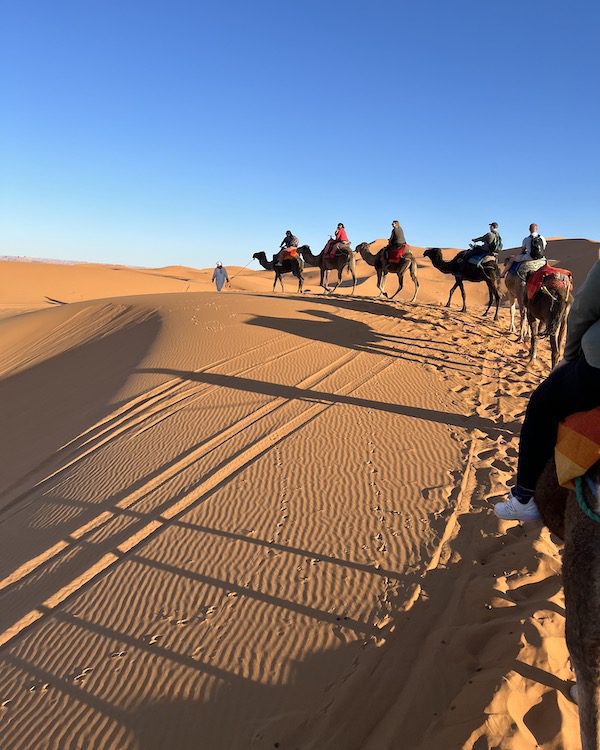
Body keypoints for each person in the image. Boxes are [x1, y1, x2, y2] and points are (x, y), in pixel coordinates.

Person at [494, 259, 600, 521]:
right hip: (539, 259)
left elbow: (584, 308)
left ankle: (524, 496)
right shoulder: (534, 241)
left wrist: (570, 357)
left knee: (542, 403)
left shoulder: (528, 244)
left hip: (596, 367)